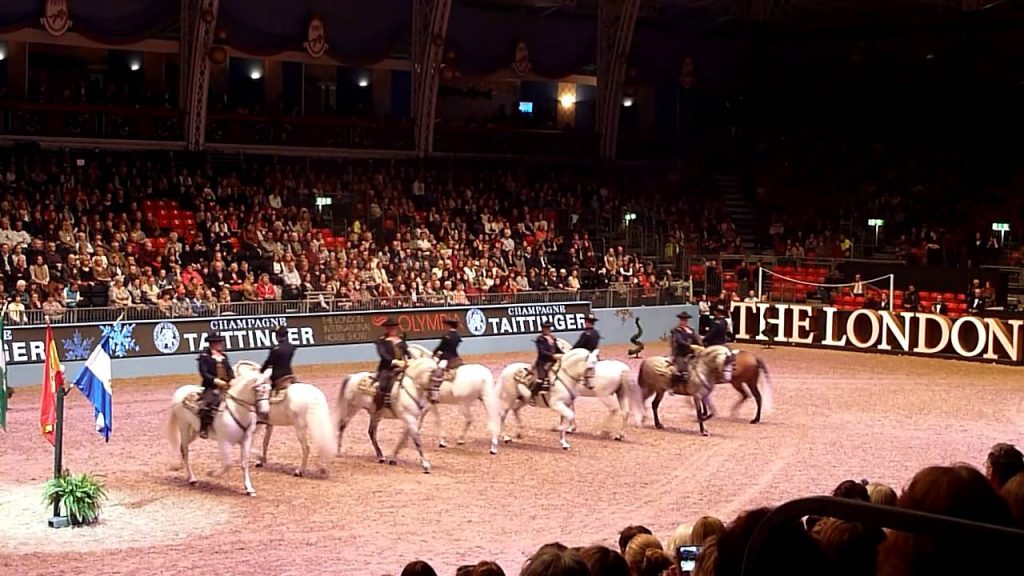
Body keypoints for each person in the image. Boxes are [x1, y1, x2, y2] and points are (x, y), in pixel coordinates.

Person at [197, 332, 234, 439]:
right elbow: (204, 373)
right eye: (218, 343)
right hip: (211, 386)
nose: (220, 344)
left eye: (220, 342)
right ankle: (204, 428)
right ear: (212, 344)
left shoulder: (223, 356)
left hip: (226, 385)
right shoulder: (204, 357)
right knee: (208, 404)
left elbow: (229, 370)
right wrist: (215, 381)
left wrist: (231, 379)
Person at [374, 317, 409, 411]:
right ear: (386, 329)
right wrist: (394, 361)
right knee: (383, 383)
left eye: (394, 328)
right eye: (390, 328)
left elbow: (407, 352)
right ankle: (381, 404)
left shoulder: (401, 340)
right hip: (387, 367)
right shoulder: (381, 341)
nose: (392, 330)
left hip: (402, 366)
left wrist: (408, 360)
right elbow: (383, 354)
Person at [531, 321, 561, 404]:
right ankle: (533, 395)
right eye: (546, 328)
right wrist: (553, 355)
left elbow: (557, 349)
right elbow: (542, 352)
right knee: (541, 378)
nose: (548, 330)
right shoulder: (540, 339)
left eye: (549, 328)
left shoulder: (553, 338)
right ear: (543, 329)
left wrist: (563, 354)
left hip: (553, 361)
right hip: (543, 362)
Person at [261, 326, 296, 390]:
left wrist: (261, 371)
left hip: (277, 377)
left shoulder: (276, 349)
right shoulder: (292, 347)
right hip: (289, 373)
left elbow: (268, 362)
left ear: (277, 336)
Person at [670, 311, 700, 383]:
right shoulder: (676, 330)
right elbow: (679, 340)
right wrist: (689, 345)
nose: (684, 322)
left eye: (685, 320)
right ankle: (675, 385)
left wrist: (700, 346)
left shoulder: (691, 330)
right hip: (681, 352)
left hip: (692, 352)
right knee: (680, 369)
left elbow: (696, 339)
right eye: (682, 320)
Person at [432, 317, 463, 384]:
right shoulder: (457, 336)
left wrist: (434, 352)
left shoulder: (446, 335)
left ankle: (437, 383)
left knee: (438, 368)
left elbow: (441, 347)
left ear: (449, 326)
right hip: (455, 356)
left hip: (446, 357)